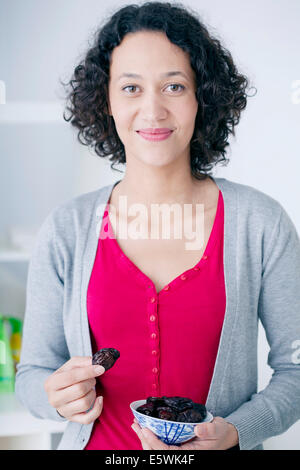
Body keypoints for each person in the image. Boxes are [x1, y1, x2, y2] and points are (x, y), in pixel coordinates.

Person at [15, 2, 300, 451]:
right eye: (130, 87)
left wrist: (238, 432)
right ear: (106, 99)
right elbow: (31, 373)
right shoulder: (67, 229)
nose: (153, 109)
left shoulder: (260, 223)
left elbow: (297, 369)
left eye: (174, 85)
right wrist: (56, 398)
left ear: (200, 97)